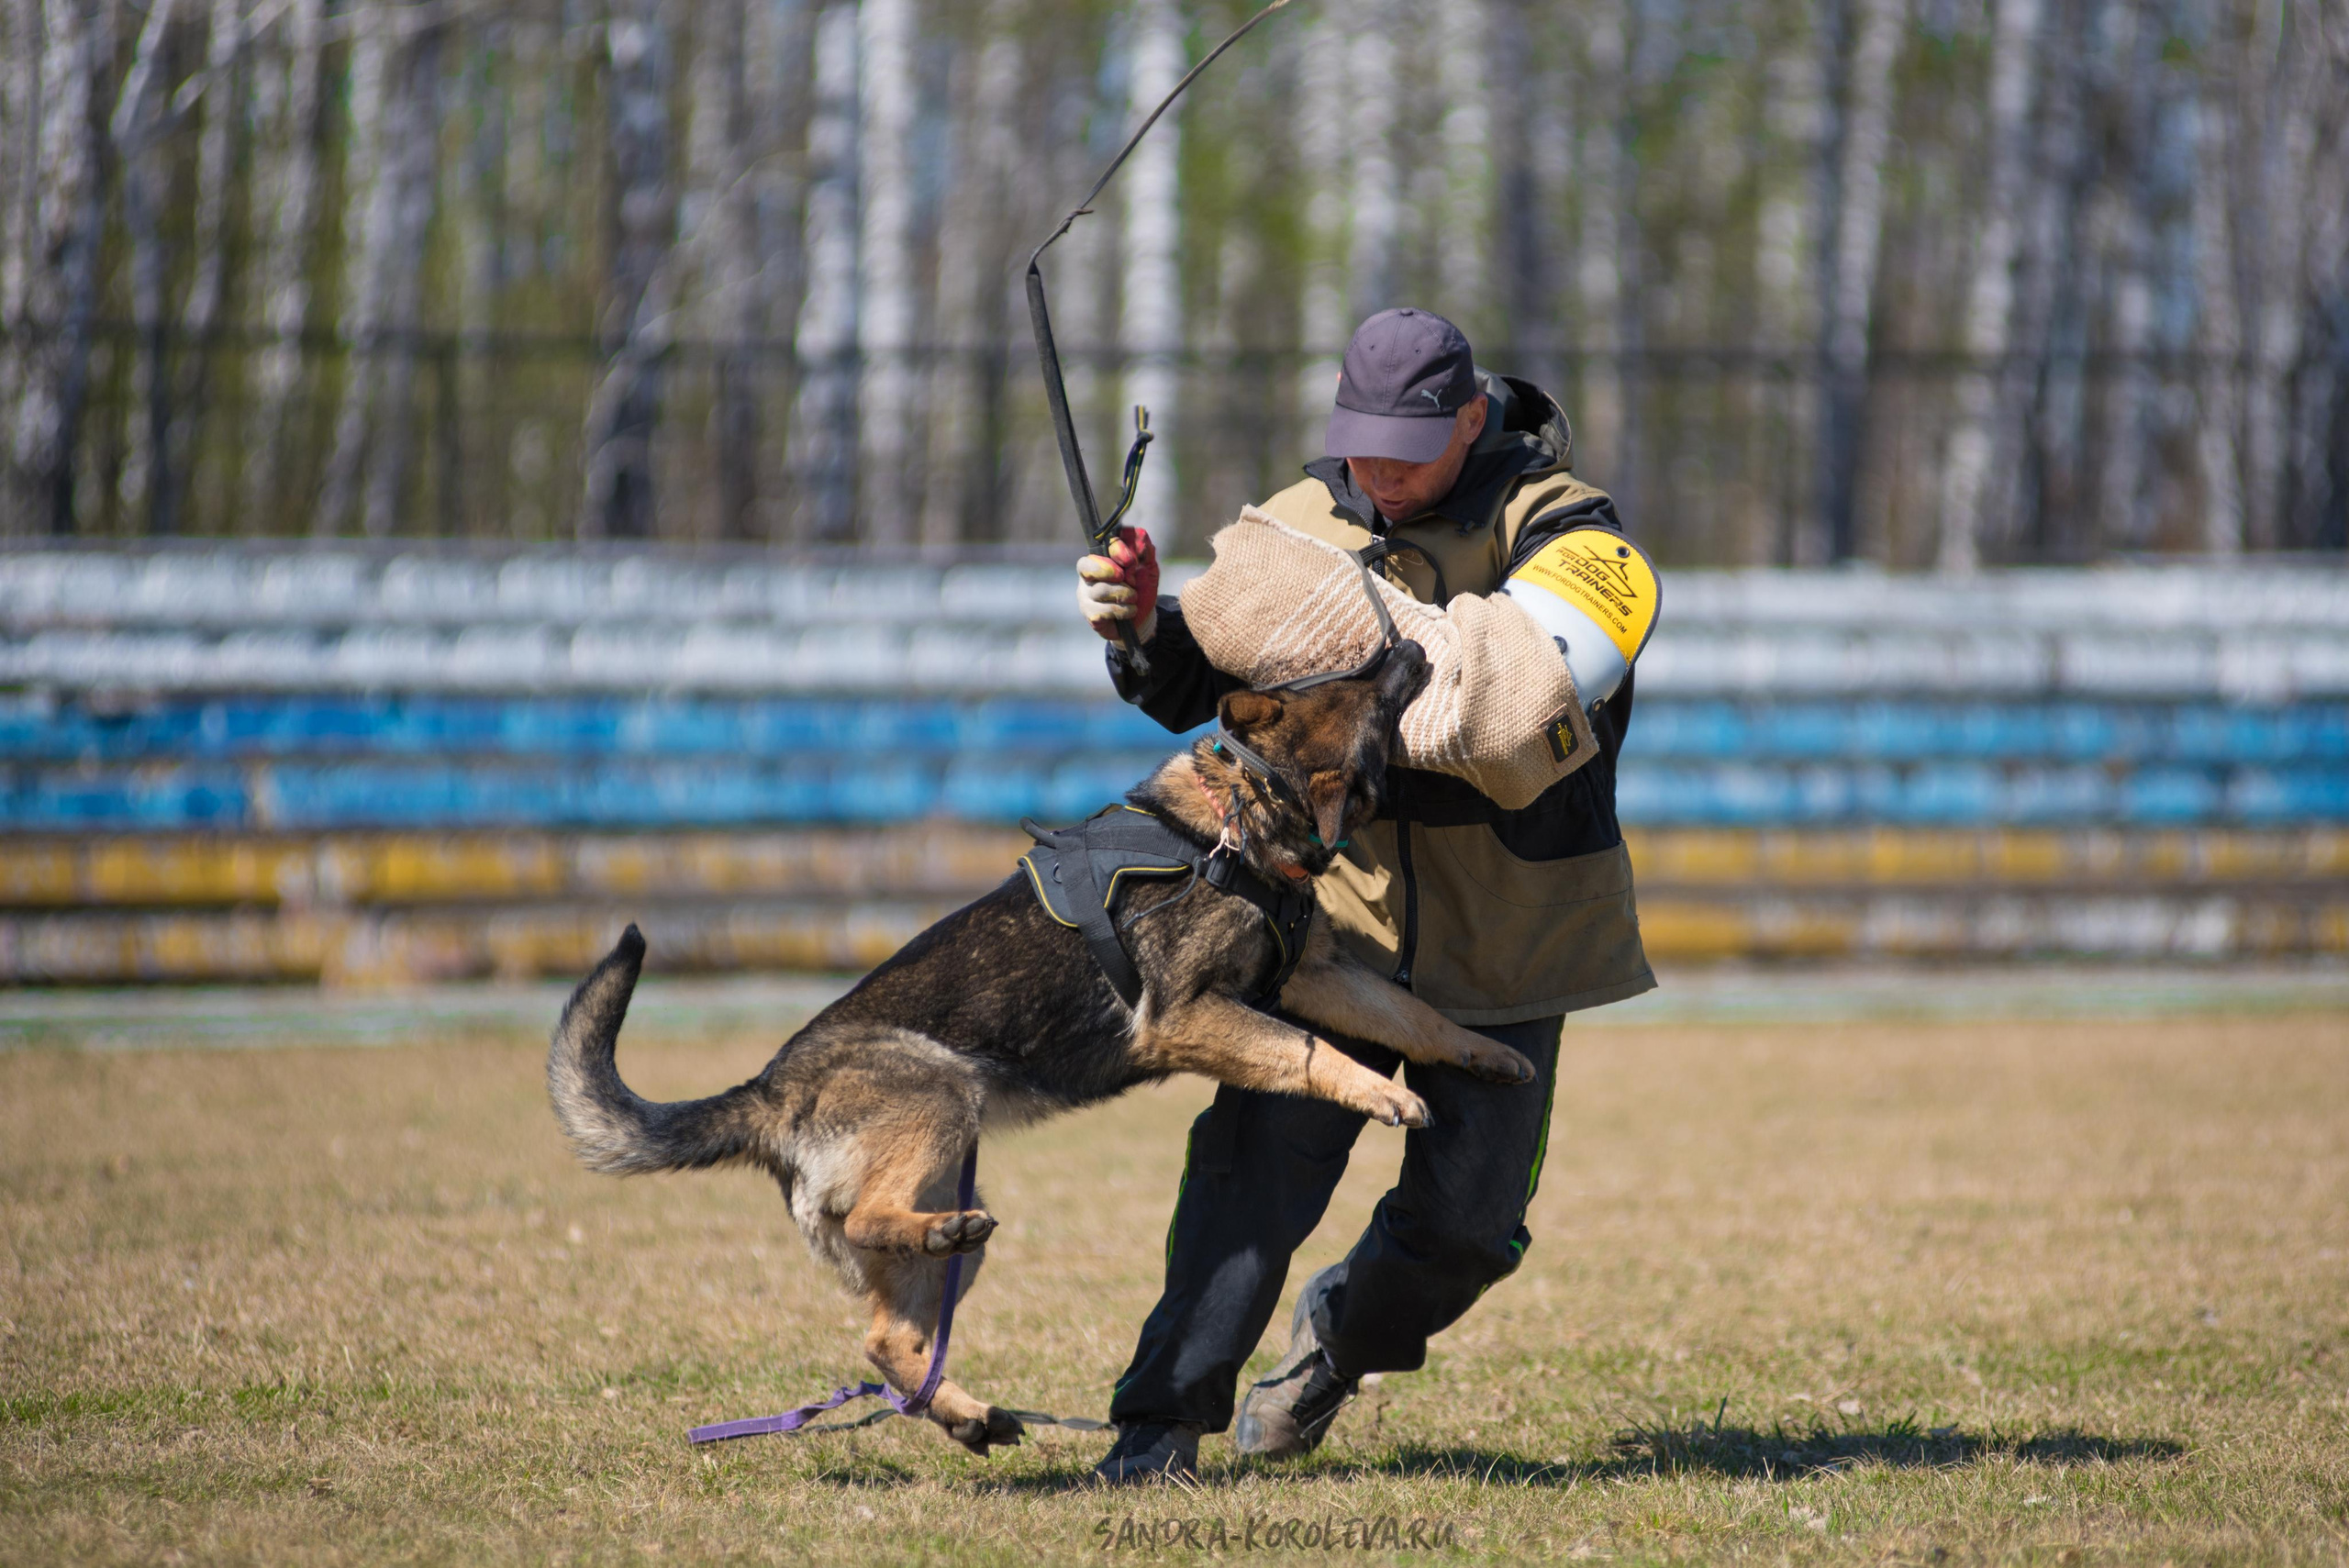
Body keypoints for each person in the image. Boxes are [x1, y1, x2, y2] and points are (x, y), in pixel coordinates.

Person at [1074, 308, 1657, 1483]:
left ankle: (1338, 1344)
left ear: (1473, 420)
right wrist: (1145, 626)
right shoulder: (1295, 525)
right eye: (1361, 446)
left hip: (1509, 935)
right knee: (1252, 1176)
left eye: (1408, 449)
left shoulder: (1574, 534)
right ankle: (1158, 1426)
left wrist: (1333, 633)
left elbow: (1505, 708)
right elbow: (1211, 676)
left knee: (1467, 1228)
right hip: (1320, 922)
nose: (1377, 475)